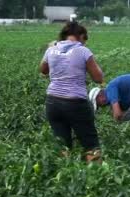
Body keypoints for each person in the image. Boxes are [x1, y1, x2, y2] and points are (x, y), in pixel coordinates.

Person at [40, 21, 104, 162]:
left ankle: (64, 176)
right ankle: (96, 178)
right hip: (75, 102)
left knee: (63, 145)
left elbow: (43, 70)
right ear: (81, 36)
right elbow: (98, 78)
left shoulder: (51, 49)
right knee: (91, 144)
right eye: (84, 39)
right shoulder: (82, 50)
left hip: (53, 102)